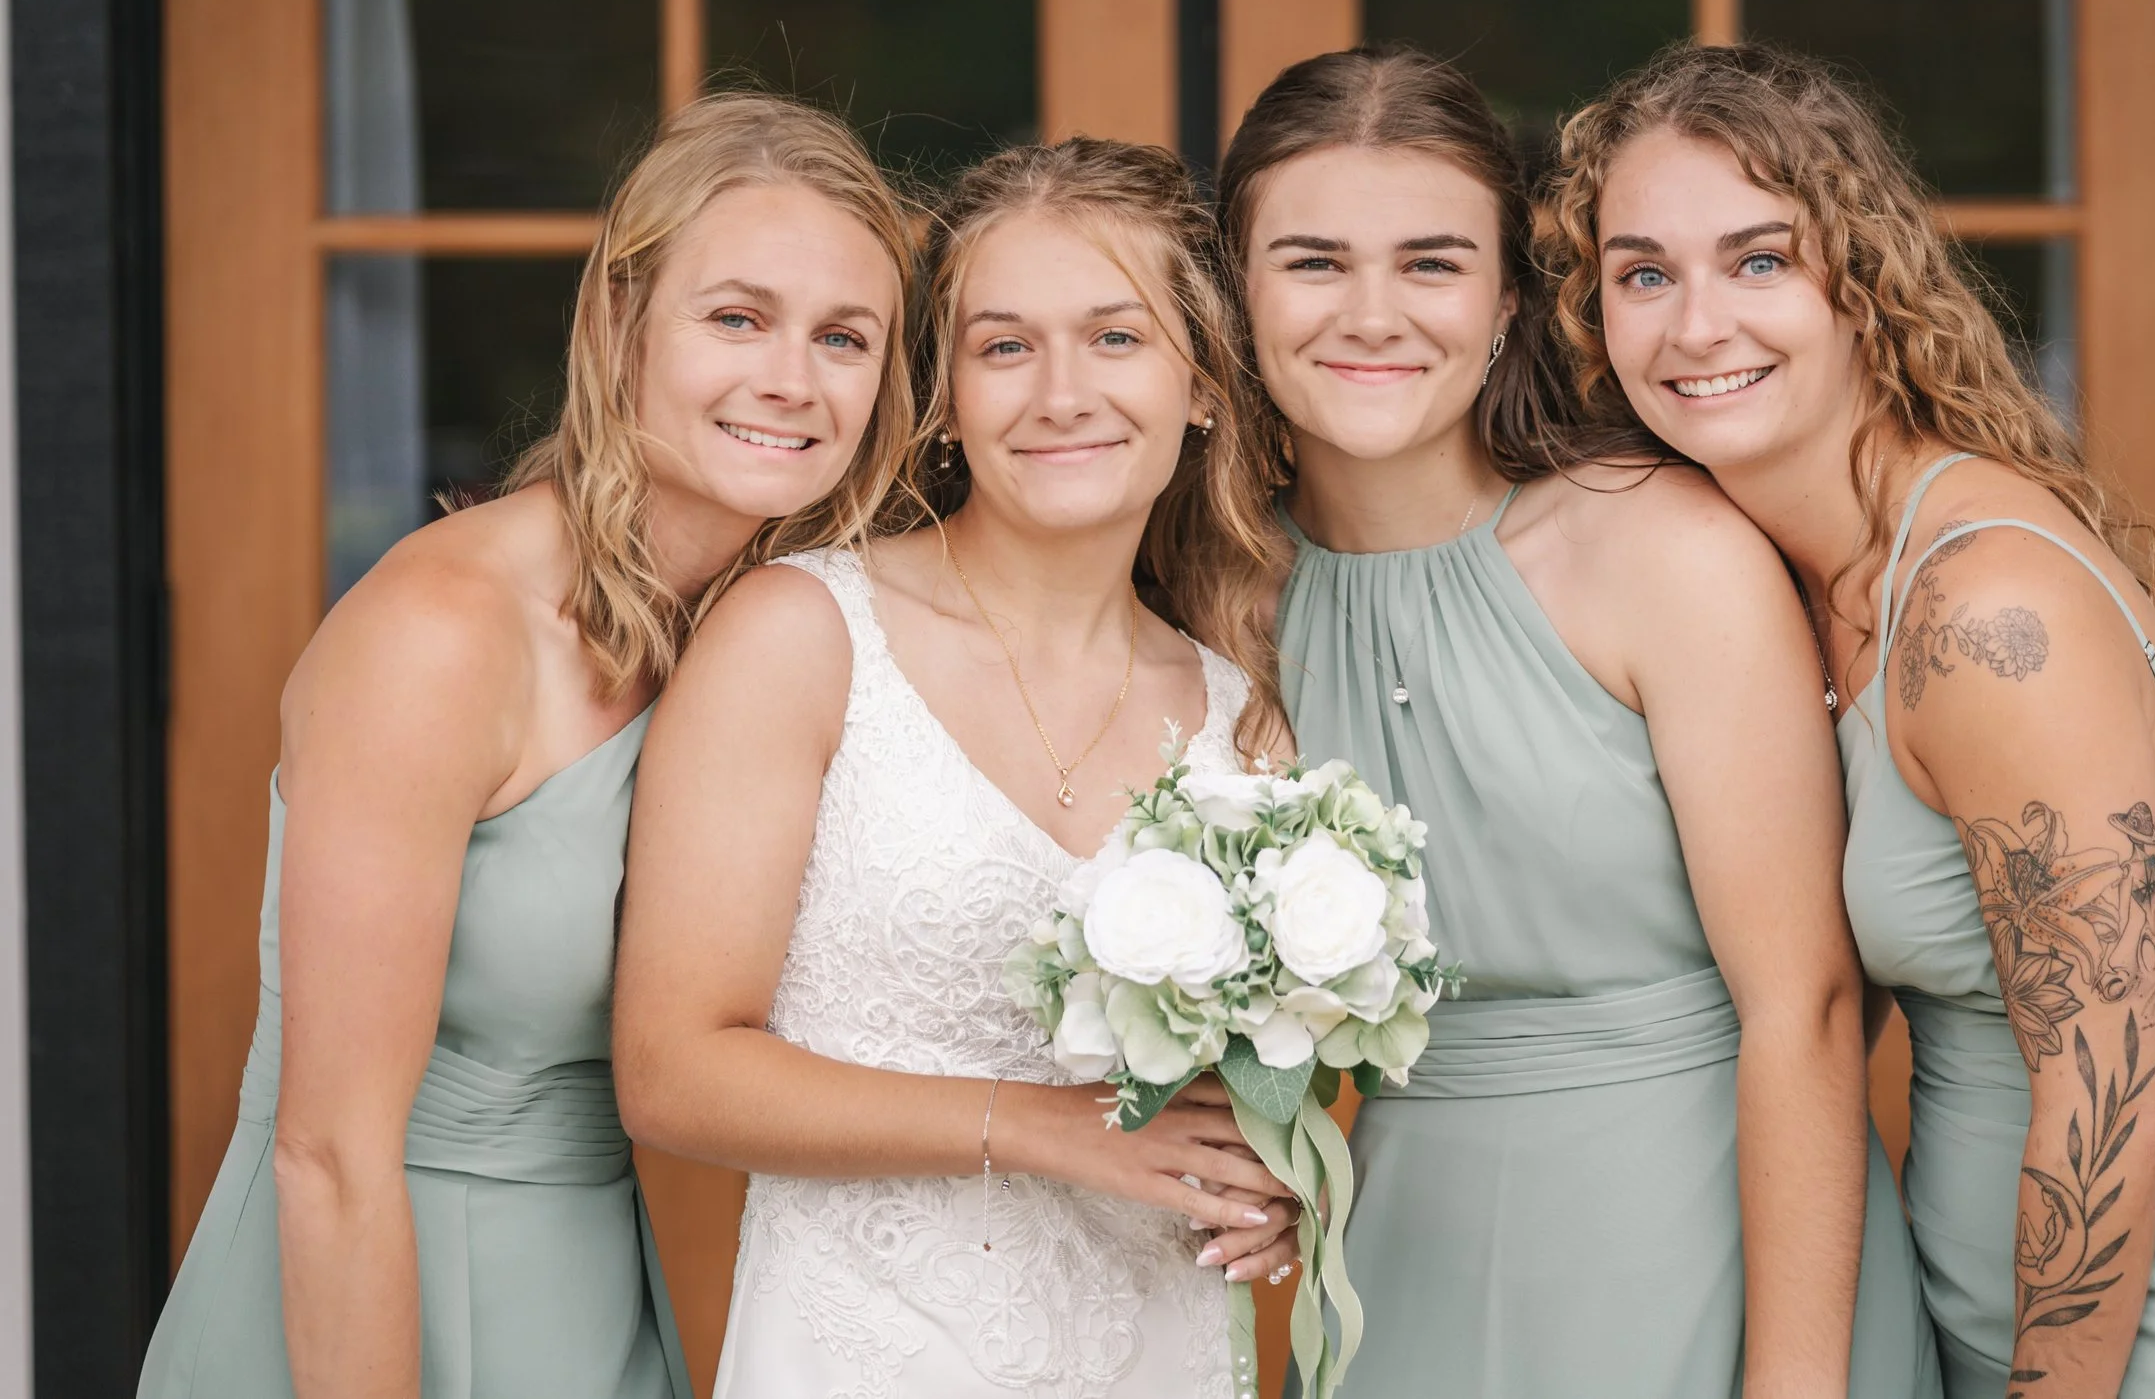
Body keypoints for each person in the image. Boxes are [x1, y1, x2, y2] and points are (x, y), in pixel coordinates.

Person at [1551, 40, 2155, 1395]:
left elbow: (2108, 1094)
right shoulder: (1804, 582)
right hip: (2000, 1334)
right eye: (1645, 272)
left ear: (1861, 283)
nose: (1695, 323)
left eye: (1760, 259)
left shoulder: (1987, 608)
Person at [137, 92, 919, 1399]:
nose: (792, 378)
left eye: (843, 337)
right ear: (620, 325)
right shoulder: (444, 632)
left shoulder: (770, 644)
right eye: (737, 316)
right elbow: (327, 1152)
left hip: (595, 1297)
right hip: (358, 1305)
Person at [1219, 46, 1939, 1398]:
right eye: (1314, 261)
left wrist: (1793, 1384)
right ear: (1240, 291)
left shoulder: (1657, 548)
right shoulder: (1223, 595)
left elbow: (1810, 1001)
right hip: (1407, 1244)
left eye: (1431, 262)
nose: (1372, 313)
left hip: (1701, 1231)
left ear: (1504, 301)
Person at [613, 137, 1301, 1399]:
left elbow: (1247, 1088)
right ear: (940, 393)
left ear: (1202, 381)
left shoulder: (1245, 718)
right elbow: (671, 1068)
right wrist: (1039, 1127)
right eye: (1002, 346)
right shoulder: (801, 635)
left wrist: (1275, 1185)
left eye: (1115, 338)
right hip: (865, 1345)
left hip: (1156, 1346)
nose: (1058, 393)